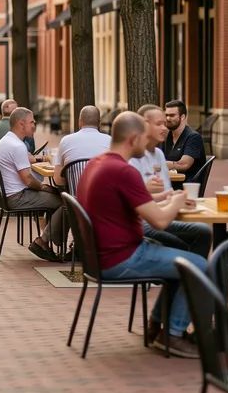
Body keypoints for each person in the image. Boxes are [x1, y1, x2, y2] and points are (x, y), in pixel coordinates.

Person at [78, 111, 203, 357]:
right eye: (144, 137)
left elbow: (130, 202)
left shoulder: (98, 162)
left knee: (181, 262)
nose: (147, 143)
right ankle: (174, 334)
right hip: (121, 257)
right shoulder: (124, 171)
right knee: (198, 266)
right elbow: (159, 221)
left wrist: (163, 197)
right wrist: (177, 202)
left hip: (99, 256)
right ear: (133, 139)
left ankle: (156, 327)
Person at [26, 105, 110, 261]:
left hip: (76, 199)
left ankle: (49, 240)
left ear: (79, 122)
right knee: (66, 202)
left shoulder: (66, 140)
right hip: (104, 201)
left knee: (65, 200)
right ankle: (75, 246)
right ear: (99, 123)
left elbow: (58, 180)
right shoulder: (110, 141)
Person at [130, 105, 211, 260]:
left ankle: (188, 277)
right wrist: (170, 199)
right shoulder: (133, 155)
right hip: (141, 222)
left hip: (158, 214)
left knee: (203, 231)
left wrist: (175, 197)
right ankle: (190, 274)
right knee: (186, 245)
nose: (165, 127)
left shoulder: (159, 154)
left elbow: (166, 192)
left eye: (165, 122)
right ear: (144, 124)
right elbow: (133, 203)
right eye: (159, 123)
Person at [0, 107, 61, 219]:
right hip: (16, 198)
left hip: (7, 196)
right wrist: (44, 187)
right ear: (21, 124)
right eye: (32, 122)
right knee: (64, 202)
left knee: (55, 195)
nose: (34, 125)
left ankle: (48, 235)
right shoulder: (17, 146)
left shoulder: (7, 140)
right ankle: (48, 236)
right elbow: (28, 180)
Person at [161, 99, 205, 181]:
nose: (168, 118)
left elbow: (184, 165)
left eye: (172, 115)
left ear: (182, 117)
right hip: (169, 182)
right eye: (166, 115)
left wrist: (160, 164)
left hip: (186, 185)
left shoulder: (193, 137)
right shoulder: (167, 136)